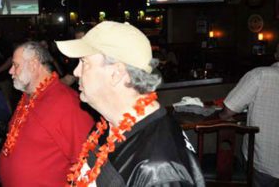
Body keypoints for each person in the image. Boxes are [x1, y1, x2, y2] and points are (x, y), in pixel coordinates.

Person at [56, 21, 205, 186]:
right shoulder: (109, 124)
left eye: (84, 62)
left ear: (116, 73)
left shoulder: (158, 171)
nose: (76, 72)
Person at [0, 41, 94, 187]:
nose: (10, 71)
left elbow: (89, 161)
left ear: (33, 64)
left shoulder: (66, 102)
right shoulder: (28, 96)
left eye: (16, 65)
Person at [219, 44, 279, 187]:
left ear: (276, 55)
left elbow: (229, 110)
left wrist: (222, 116)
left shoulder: (260, 75)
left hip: (264, 163)